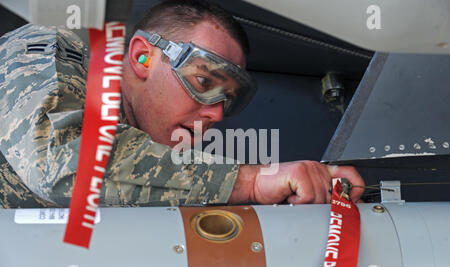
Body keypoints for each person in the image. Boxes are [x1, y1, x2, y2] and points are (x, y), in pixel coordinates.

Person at [0, 0, 364, 208]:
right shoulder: (52, 51)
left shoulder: (145, 164)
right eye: (203, 82)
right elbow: (60, 162)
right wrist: (252, 182)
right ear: (143, 58)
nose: (216, 113)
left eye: (227, 100)